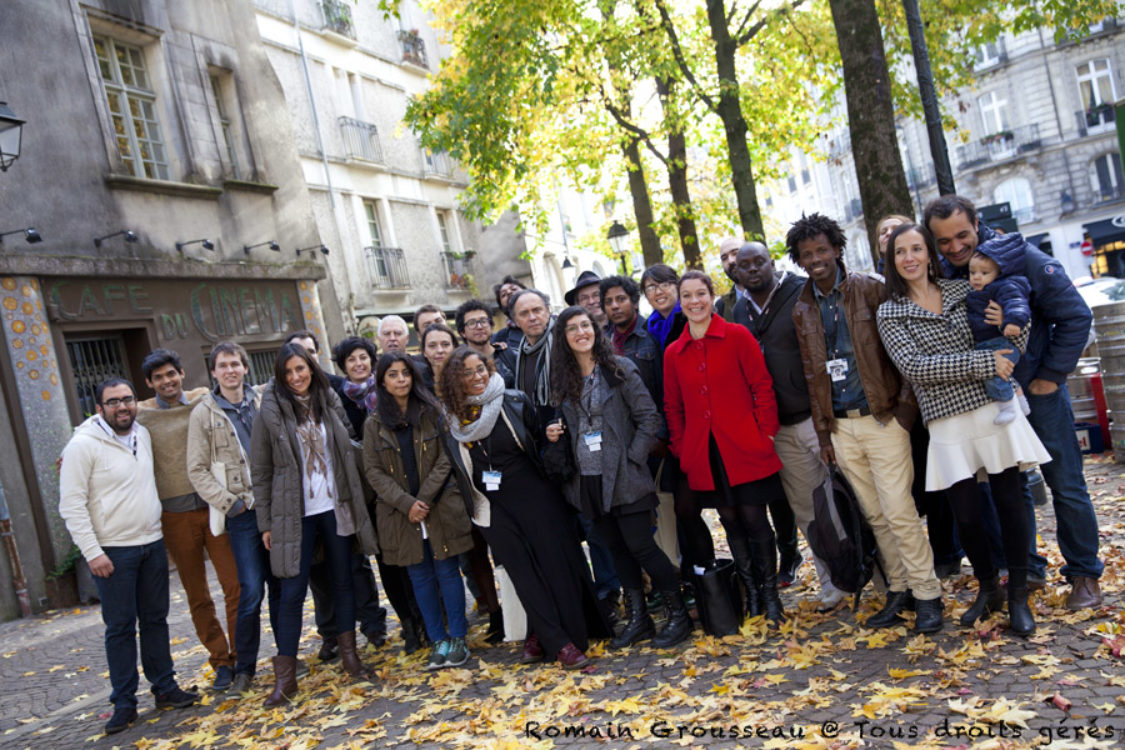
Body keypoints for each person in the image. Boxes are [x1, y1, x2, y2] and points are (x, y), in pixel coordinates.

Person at [925, 194, 1102, 609]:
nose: (954, 247)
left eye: (962, 235)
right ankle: (1027, 571)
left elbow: (1076, 315)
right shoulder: (948, 273)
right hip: (991, 397)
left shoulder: (1021, 257)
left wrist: (1050, 376)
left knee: (1065, 483)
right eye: (944, 241)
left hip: (1037, 391)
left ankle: (1083, 574)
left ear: (976, 223)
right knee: (1011, 488)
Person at [876, 222, 1050, 636]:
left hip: (992, 408)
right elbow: (916, 368)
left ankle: (1018, 594)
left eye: (917, 248)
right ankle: (988, 587)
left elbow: (1010, 326)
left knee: (1010, 500)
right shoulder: (890, 311)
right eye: (901, 252)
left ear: (929, 254)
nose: (910, 258)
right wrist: (983, 363)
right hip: (946, 418)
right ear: (893, 260)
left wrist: (1010, 337)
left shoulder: (962, 290)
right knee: (967, 515)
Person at [789, 213, 942, 633]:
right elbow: (810, 372)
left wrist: (905, 412)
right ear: (800, 261)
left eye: (822, 250)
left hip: (883, 418)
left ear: (837, 249)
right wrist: (824, 432)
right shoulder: (802, 308)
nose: (816, 259)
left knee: (898, 510)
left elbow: (903, 348)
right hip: (841, 426)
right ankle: (899, 589)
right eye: (807, 254)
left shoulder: (871, 289)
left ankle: (928, 594)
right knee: (875, 515)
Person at [439, 347, 610, 668]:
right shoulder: (449, 419)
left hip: (535, 496)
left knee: (553, 567)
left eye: (481, 369)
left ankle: (552, 636)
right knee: (523, 574)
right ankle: (556, 641)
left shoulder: (513, 400)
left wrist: (548, 436)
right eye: (467, 372)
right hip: (491, 506)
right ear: (454, 379)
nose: (476, 377)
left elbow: (540, 445)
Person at [59, 378, 198, 734]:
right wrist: (93, 553)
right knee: (120, 628)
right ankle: (124, 702)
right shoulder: (82, 446)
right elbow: (71, 505)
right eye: (113, 402)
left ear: (136, 401)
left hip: (151, 544)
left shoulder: (142, 434)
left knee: (156, 620)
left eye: (127, 399)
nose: (122, 407)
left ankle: (165, 688)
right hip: (112, 553)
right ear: (99, 408)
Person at [546, 306, 691, 648]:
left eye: (586, 325)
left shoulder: (620, 368)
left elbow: (648, 417)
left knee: (642, 547)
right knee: (616, 551)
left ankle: (678, 615)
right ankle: (639, 618)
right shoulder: (563, 381)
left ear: (595, 330)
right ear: (563, 339)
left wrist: (634, 458)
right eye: (572, 328)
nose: (581, 332)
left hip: (626, 477)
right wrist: (555, 432)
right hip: (588, 481)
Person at [250, 344, 379, 705]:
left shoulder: (327, 398)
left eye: (301, 369)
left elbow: (349, 444)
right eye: (288, 372)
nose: (296, 377)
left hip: (335, 506)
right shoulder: (270, 411)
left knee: (343, 580)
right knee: (291, 591)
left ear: (311, 368)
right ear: (280, 375)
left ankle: (351, 657)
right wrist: (266, 523)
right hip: (294, 513)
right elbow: (260, 471)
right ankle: (286, 679)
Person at [664, 270, 787, 623]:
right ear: (680, 302)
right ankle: (750, 595)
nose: (694, 302)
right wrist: (682, 447)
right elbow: (673, 406)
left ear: (712, 295)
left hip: (745, 446)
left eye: (700, 293)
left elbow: (762, 386)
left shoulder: (737, 336)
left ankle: (769, 594)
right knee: (730, 520)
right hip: (705, 452)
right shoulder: (675, 352)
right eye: (686, 296)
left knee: (754, 518)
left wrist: (765, 434)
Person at [730, 242, 844, 610]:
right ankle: (833, 581)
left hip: (816, 417)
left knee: (848, 499)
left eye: (757, 262)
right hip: (778, 428)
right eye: (742, 265)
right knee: (808, 511)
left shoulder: (800, 292)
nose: (751, 269)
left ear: (771, 262)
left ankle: (876, 572)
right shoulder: (739, 311)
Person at [136, 349, 239, 693]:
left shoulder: (202, 400)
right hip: (175, 515)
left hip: (214, 507)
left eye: (171, 374)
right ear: (150, 384)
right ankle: (221, 660)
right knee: (198, 594)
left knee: (234, 585)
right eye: (159, 378)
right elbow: (99, 422)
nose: (167, 382)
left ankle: (242, 656)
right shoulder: (141, 415)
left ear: (182, 373)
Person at [363, 352, 474, 669]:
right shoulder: (373, 424)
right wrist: (406, 503)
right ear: (382, 382)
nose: (401, 380)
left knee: (448, 571)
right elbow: (373, 472)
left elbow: (446, 457)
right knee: (420, 576)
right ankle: (437, 639)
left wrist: (423, 498)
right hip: (401, 514)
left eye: (405, 373)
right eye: (393, 375)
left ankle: (458, 638)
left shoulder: (431, 411)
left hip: (438, 506)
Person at [289, 332, 392, 657]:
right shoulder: (280, 402)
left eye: (306, 357)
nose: (298, 371)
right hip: (309, 500)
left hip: (347, 491)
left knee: (354, 564)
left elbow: (346, 436)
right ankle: (332, 633)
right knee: (319, 572)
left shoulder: (328, 392)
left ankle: (371, 625)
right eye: (293, 363)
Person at [187, 341, 273, 698]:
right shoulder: (204, 413)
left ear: (245, 367)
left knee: (284, 585)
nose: (230, 370)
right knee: (250, 590)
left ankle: (285, 658)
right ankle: (245, 668)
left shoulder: (262, 401)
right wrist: (230, 504)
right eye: (223, 365)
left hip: (274, 507)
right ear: (214, 371)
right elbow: (196, 468)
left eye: (236, 363)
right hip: (241, 514)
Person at [600, 275, 680, 577]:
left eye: (621, 299)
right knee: (638, 520)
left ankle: (675, 575)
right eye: (608, 302)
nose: (615, 306)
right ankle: (656, 580)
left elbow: (664, 390)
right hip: (622, 446)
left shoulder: (651, 335)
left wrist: (661, 436)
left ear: (634, 301)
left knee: (666, 512)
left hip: (655, 441)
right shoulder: (603, 342)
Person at [642, 264, 715, 576]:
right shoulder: (649, 330)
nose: (658, 292)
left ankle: (726, 575)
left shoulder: (691, 320)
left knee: (727, 507)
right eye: (650, 287)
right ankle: (702, 576)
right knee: (683, 508)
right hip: (674, 431)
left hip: (706, 424)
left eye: (664, 284)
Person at [966, 238, 1032, 424]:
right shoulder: (981, 290)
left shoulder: (1004, 287)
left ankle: (1008, 407)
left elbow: (1016, 303)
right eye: (973, 272)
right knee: (1005, 375)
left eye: (984, 273)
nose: (977, 277)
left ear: (998, 273)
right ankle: (1021, 402)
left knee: (994, 374)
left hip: (999, 343)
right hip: (988, 342)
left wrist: (1012, 321)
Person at [713, 237, 745, 321]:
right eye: (724, 258)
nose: (730, 261)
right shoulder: (721, 307)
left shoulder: (776, 291)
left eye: (735, 253)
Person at [491, 275, 527, 350]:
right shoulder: (500, 338)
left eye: (514, 289)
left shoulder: (553, 323)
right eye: (503, 295)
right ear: (501, 307)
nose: (509, 292)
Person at [421, 323, 459, 392]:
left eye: (445, 344)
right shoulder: (417, 384)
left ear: (454, 348)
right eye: (432, 346)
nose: (440, 350)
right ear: (424, 352)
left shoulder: (467, 378)